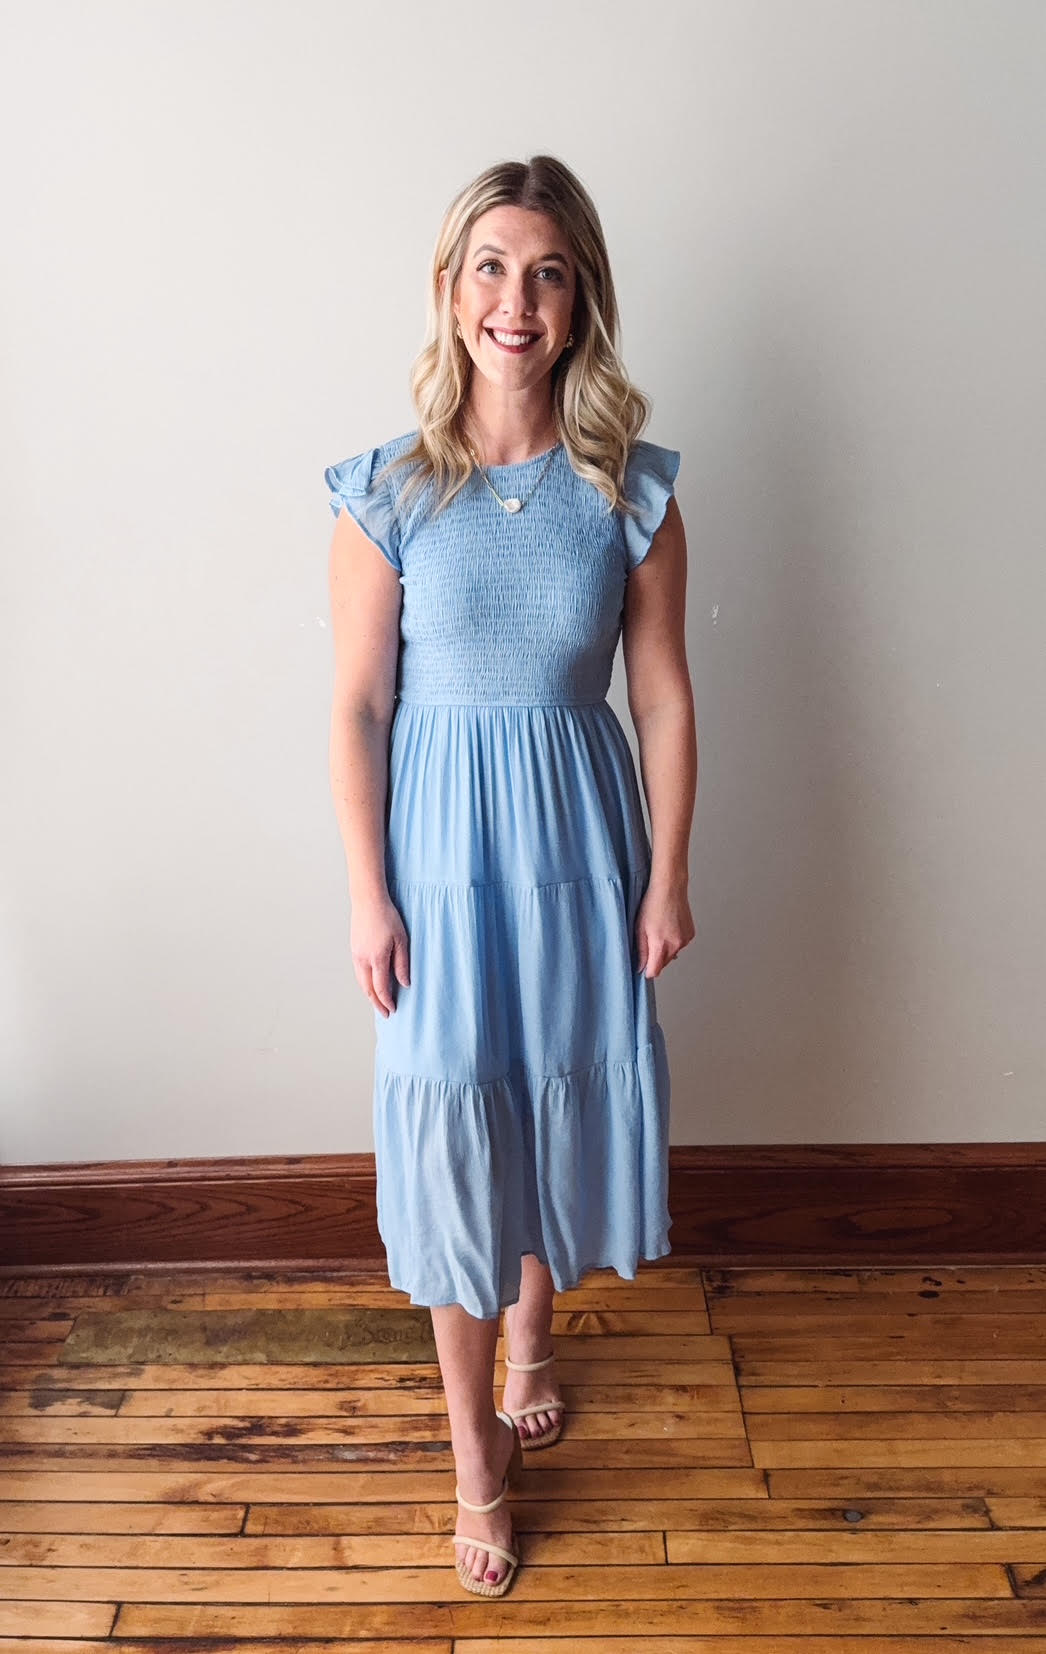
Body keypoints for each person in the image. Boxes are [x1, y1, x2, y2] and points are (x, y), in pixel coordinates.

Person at [325, 154, 697, 1599]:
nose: (514, 299)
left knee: (547, 1090)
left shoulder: (631, 489)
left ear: (580, 295)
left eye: (545, 270)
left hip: (577, 841)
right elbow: (358, 704)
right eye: (489, 266)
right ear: (447, 289)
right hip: (435, 850)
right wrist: (367, 891)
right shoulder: (387, 491)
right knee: (449, 1121)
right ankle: (475, 1453)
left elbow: (660, 694)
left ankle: (535, 1335)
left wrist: (668, 871)